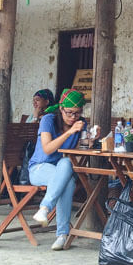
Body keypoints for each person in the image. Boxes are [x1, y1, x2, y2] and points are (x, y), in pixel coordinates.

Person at [29, 88, 87, 251]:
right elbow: (47, 149)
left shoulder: (81, 123)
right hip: (39, 168)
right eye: (69, 112)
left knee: (66, 165)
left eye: (77, 113)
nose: (73, 117)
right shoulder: (48, 119)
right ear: (61, 109)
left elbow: (78, 151)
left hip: (61, 168)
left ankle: (44, 210)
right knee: (67, 181)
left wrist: (89, 140)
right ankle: (62, 234)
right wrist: (70, 132)